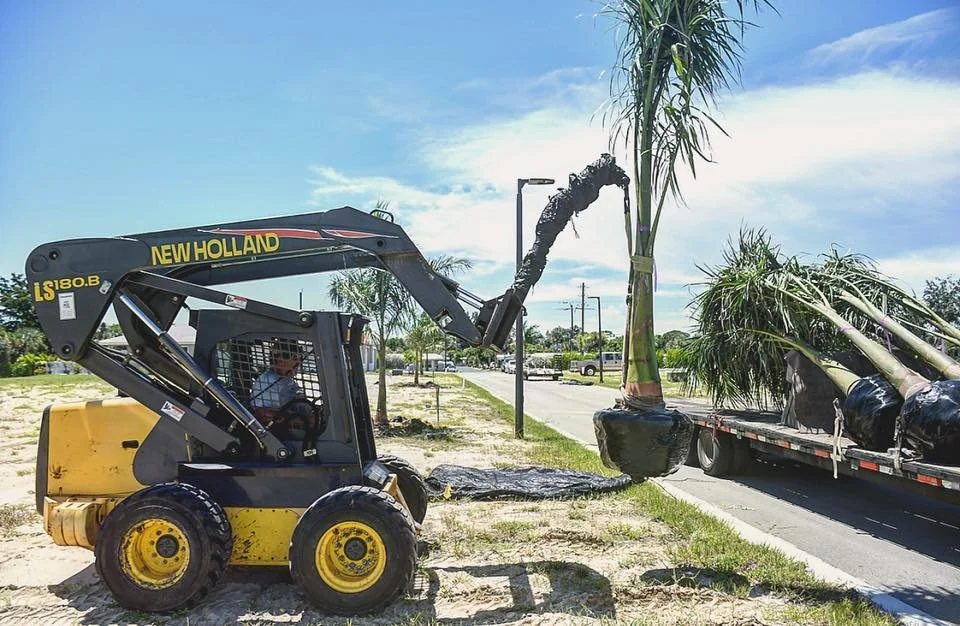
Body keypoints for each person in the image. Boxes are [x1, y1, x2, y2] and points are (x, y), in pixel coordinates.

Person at [250, 340, 314, 432]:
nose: (299, 361)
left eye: (300, 357)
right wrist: (306, 421)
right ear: (280, 360)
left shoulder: (284, 380)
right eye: (295, 357)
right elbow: (265, 415)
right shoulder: (268, 384)